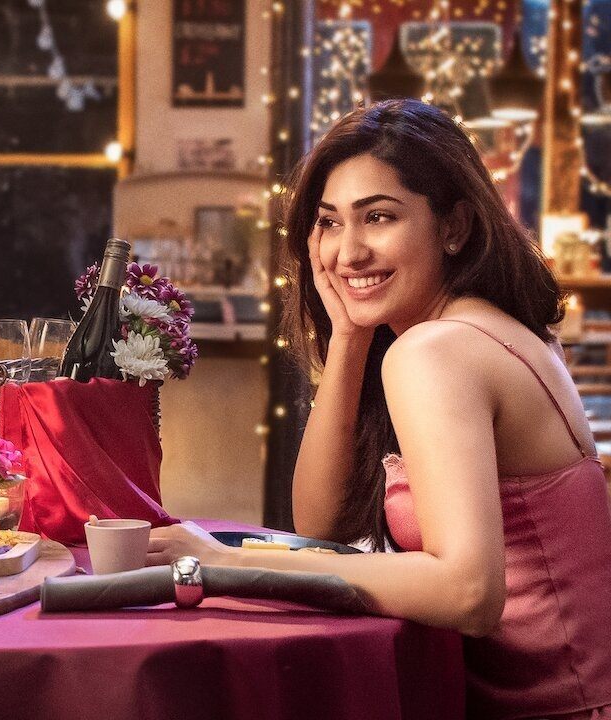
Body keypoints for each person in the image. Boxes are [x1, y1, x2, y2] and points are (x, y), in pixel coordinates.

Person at [146, 99, 611, 718]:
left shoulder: (437, 351)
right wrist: (349, 337)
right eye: (329, 222)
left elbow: (470, 592)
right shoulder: (476, 330)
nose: (348, 253)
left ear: (454, 226)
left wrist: (228, 562)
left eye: (379, 217)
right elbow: (322, 525)